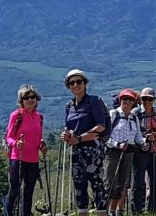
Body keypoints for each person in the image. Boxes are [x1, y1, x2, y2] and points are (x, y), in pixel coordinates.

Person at [58, 69, 108, 215]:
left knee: (97, 184)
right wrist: (66, 135)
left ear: (85, 83)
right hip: (76, 151)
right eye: (72, 83)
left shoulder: (94, 101)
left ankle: (102, 212)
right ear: (68, 86)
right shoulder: (69, 106)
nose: (75, 85)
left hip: (93, 149)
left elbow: (101, 126)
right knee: (79, 186)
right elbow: (69, 126)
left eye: (78, 81)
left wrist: (79, 138)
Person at [3, 85, 46, 216]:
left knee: (28, 193)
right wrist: (16, 143)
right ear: (21, 100)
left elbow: (39, 137)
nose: (30, 100)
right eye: (26, 97)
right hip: (17, 158)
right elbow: (9, 137)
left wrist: (42, 145)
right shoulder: (16, 115)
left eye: (33, 97)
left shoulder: (39, 117)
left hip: (33, 159)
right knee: (14, 191)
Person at [103, 89, 146, 214]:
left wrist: (145, 142)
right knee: (110, 183)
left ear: (133, 102)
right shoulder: (113, 114)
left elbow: (138, 136)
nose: (127, 101)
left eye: (130, 99)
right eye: (124, 99)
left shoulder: (134, 118)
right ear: (120, 100)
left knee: (122, 184)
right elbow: (104, 136)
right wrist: (117, 144)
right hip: (113, 152)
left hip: (128, 153)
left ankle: (114, 211)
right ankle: (104, 211)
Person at [131, 88, 156, 212]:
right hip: (140, 151)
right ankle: (137, 211)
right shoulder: (135, 113)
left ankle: (153, 210)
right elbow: (132, 131)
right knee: (138, 182)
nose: (146, 101)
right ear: (140, 99)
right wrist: (144, 138)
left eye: (149, 99)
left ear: (154, 100)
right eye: (144, 99)